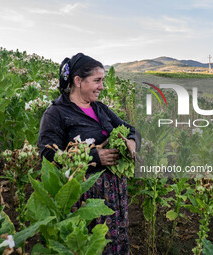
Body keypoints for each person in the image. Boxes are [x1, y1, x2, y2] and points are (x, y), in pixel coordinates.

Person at [38, 53, 140, 255]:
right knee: (87, 245)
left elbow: (132, 130)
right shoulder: (56, 113)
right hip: (82, 194)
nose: (102, 86)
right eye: (97, 81)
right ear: (78, 81)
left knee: (112, 240)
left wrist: (132, 141)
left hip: (112, 192)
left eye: (102, 80)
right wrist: (95, 157)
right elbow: (48, 154)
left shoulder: (100, 108)